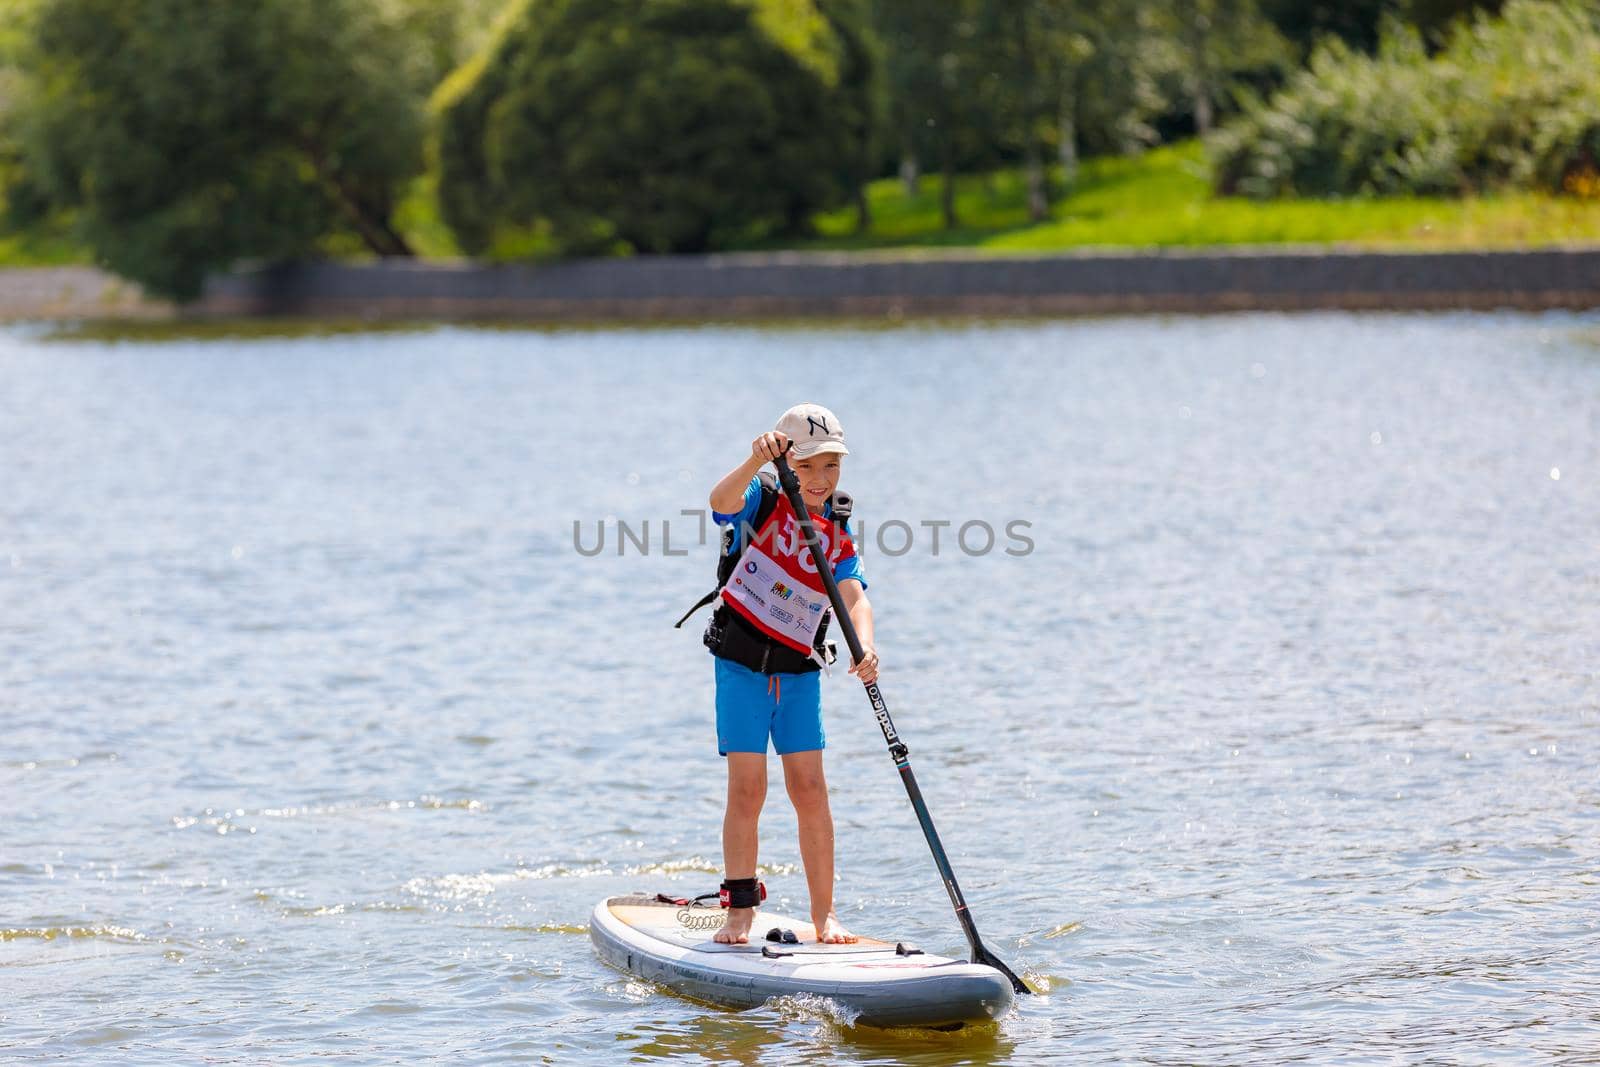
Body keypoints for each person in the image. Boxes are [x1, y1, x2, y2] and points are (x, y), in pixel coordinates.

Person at [702, 403, 878, 945]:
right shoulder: (762, 494)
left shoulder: (837, 522)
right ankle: (739, 912)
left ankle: (824, 916)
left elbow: (852, 593)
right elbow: (719, 503)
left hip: (799, 672)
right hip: (742, 667)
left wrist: (865, 645)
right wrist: (754, 459)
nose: (820, 480)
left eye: (831, 467)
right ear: (786, 461)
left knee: (810, 790)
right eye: (807, 467)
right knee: (748, 791)